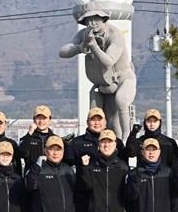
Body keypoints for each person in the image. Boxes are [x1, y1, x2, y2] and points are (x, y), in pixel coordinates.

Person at [59, 9, 137, 139]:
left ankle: (127, 138)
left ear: (103, 19)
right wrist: (80, 47)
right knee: (110, 124)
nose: (92, 23)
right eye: (88, 20)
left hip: (123, 78)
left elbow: (109, 61)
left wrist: (94, 47)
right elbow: (62, 52)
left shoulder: (115, 34)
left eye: (96, 19)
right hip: (102, 85)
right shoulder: (84, 34)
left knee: (121, 100)